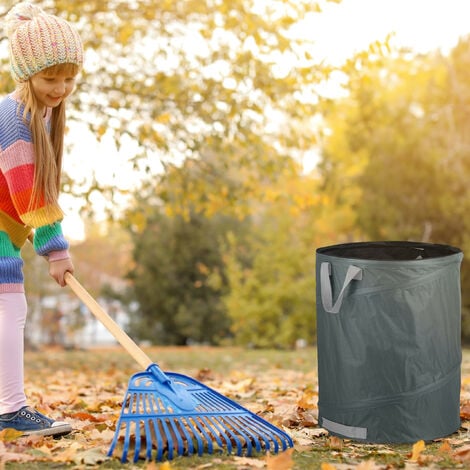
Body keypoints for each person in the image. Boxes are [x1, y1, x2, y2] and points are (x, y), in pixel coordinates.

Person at [0, 2, 83, 437]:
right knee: (10, 306)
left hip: (5, 225)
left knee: (8, 307)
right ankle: (11, 411)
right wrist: (55, 248)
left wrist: (34, 231)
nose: (61, 87)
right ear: (25, 74)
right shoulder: (13, 118)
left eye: (69, 77)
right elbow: (30, 189)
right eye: (51, 77)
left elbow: (32, 193)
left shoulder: (45, 114)